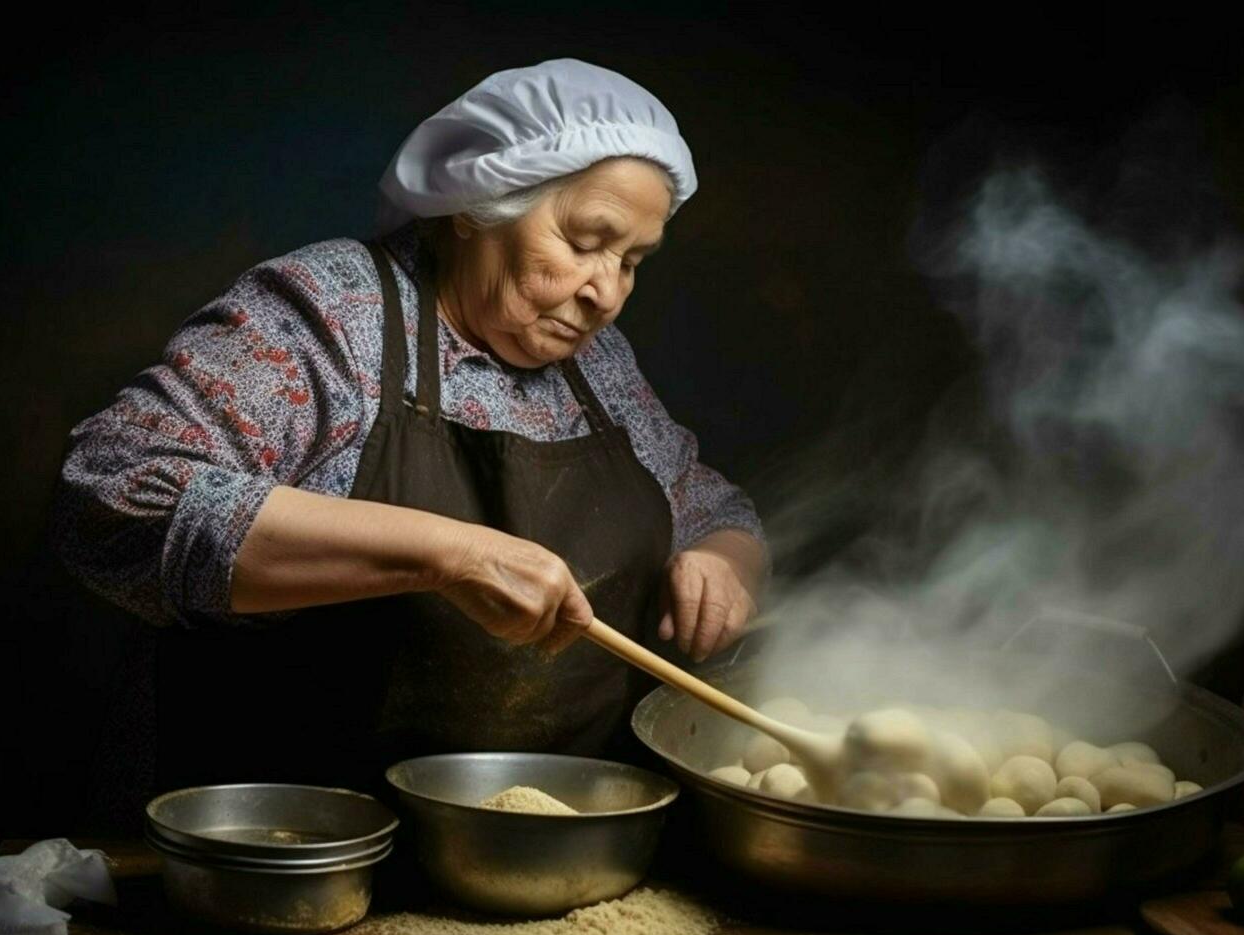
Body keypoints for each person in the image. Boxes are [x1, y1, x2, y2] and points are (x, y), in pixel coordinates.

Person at [52, 58, 768, 792]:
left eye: (632, 261)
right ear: (475, 202)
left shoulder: (598, 366)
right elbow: (113, 493)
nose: (606, 294)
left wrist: (723, 563)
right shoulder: (333, 314)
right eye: (586, 243)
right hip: (303, 838)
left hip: (549, 846)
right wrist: (444, 554)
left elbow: (714, 510)